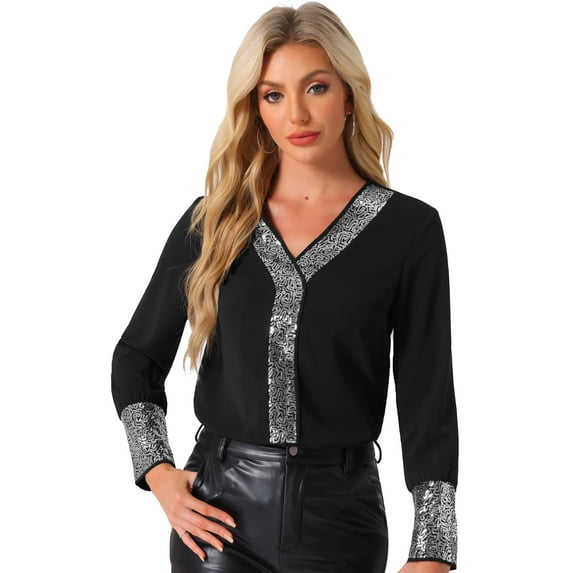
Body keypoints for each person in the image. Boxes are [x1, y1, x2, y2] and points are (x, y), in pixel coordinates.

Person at [111, 3, 459, 572]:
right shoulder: (214, 221)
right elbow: (136, 358)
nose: (296, 113)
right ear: (255, 109)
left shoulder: (409, 230)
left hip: (342, 518)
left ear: (349, 95)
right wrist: (159, 474)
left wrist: (433, 548)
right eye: (273, 95)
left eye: (316, 87)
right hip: (217, 517)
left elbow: (428, 395)